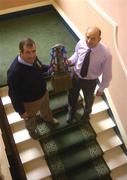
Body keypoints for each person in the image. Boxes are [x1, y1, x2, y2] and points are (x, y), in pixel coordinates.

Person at [7, 38, 58, 139]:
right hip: (29, 102)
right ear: (21, 52)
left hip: (43, 93)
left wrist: (50, 68)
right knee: (30, 118)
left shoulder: (34, 59)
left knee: (46, 109)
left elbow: (40, 67)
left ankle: (48, 119)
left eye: (33, 51)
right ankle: (32, 130)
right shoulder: (14, 72)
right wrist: (21, 111)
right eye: (28, 52)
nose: (31, 55)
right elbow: (13, 94)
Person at [67, 26, 112, 123]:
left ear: (99, 39)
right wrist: (70, 60)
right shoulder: (81, 43)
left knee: (88, 99)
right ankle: (71, 111)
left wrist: (101, 88)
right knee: (72, 95)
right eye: (87, 37)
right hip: (75, 75)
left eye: (93, 38)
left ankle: (86, 114)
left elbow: (107, 73)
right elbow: (76, 55)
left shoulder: (106, 54)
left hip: (90, 81)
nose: (89, 41)